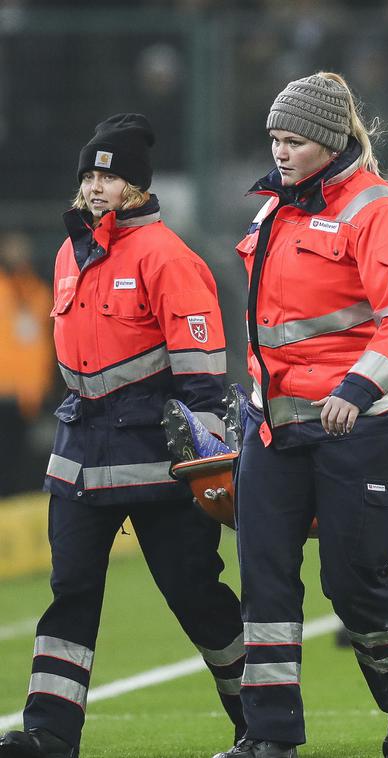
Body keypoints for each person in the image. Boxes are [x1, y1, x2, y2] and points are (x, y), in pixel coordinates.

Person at [213, 73, 388, 758]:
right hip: (275, 427)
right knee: (265, 580)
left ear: (332, 140)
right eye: (275, 140)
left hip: (360, 424)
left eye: (295, 141)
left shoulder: (380, 210)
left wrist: (356, 389)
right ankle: (270, 735)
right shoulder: (274, 210)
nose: (281, 153)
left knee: (353, 579)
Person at [0, 114, 246, 758]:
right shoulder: (68, 250)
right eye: (90, 173)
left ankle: (262, 719)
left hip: (158, 464)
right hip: (80, 456)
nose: (96, 186)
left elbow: (201, 375)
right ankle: (51, 734)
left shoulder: (170, 257)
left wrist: (208, 460)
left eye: (109, 174)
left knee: (197, 598)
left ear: (137, 186)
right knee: (69, 596)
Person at [0, 231, 54, 496]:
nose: (16, 255)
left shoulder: (39, 293)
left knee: (20, 463)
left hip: (26, 397)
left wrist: (41, 388)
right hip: (2, 391)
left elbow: (46, 346)